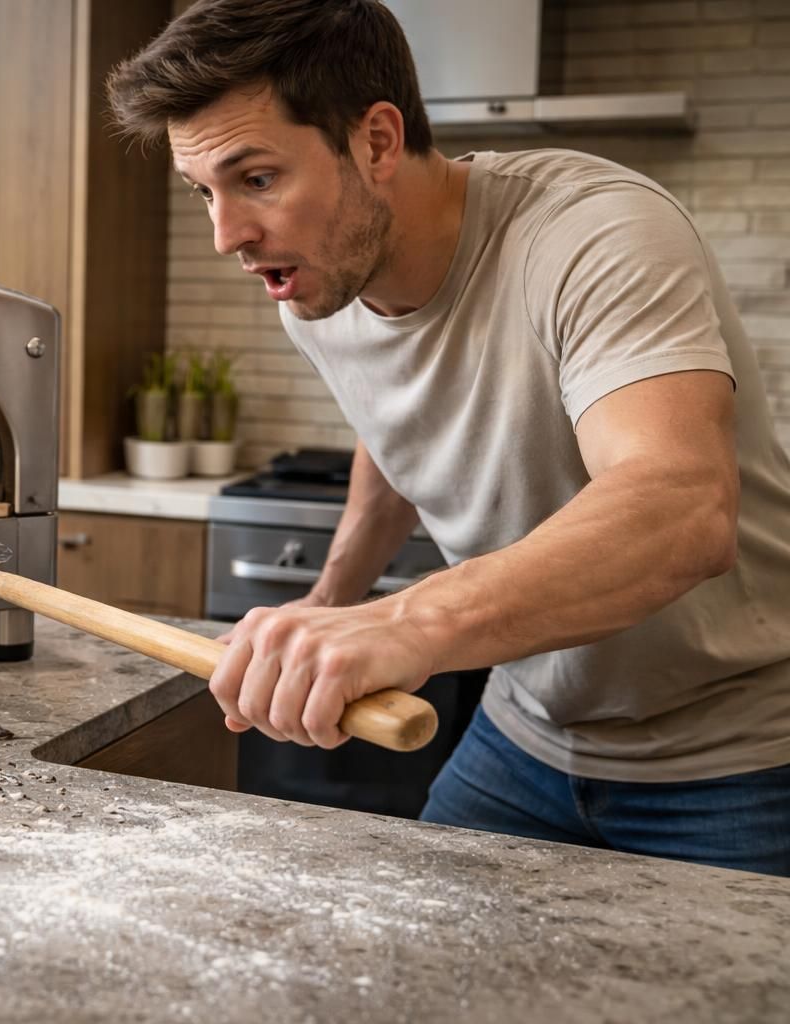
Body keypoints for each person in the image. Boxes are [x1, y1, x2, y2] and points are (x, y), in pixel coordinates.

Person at [106, 0, 790, 875]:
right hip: (525, 735)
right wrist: (334, 597)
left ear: (378, 142)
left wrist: (407, 622)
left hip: (735, 758)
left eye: (258, 179)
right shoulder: (318, 280)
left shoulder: (594, 234)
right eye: (205, 191)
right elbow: (393, 428)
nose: (225, 235)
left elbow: (683, 506)